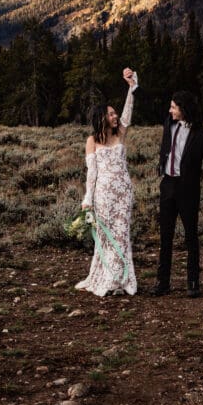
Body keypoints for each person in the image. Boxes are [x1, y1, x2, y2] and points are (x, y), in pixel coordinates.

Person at [153, 90, 203, 297]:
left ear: (183, 110)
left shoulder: (202, 134)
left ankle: (193, 282)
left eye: (174, 107)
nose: (170, 110)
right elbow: (152, 98)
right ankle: (162, 282)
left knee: (191, 237)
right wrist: (134, 84)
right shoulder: (169, 122)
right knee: (165, 237)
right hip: (167, 185)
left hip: (188, 190)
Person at [75, 68, 138, 297]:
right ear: (102, 117)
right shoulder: (92, 140)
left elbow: (128, 114)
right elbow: (91, 173)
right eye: (111, 114)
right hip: (103, 194)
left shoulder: (120, 133)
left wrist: (131, 87)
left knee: (122, 234)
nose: (115, 117)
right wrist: (87, 200)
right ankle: (108, 277)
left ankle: (121, 279)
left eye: (115, 114)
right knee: (106, 236)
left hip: (123, 192)